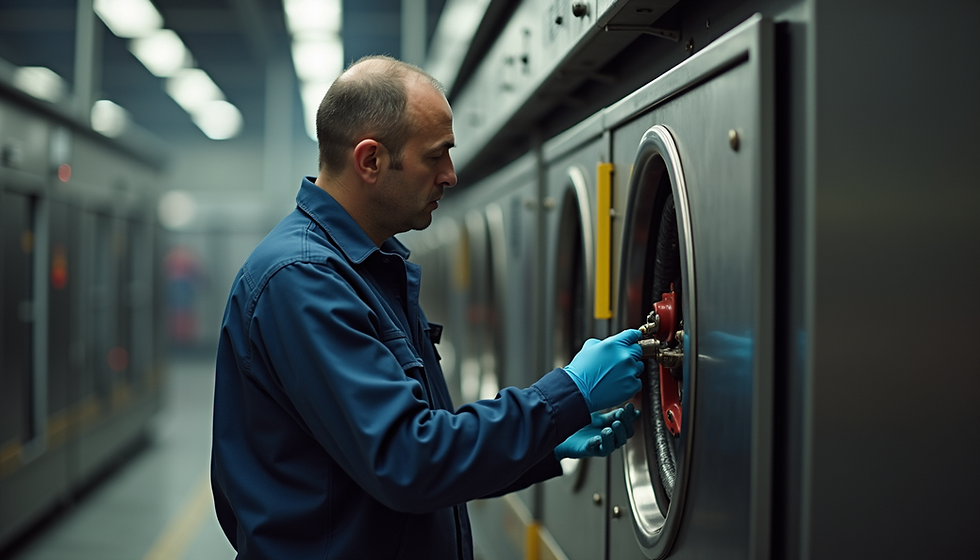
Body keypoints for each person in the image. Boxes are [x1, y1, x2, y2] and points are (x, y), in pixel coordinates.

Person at [210, 55, 645, 560]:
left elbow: (413, 450)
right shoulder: (305, 280)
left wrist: (545, 442)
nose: (451, 176)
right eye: (436, 156)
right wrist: (569, 393)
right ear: (370, 160)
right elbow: (409, 461)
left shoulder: (368, 267)